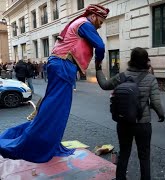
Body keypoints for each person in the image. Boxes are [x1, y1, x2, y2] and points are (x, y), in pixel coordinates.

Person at [0, 4, 109, 163]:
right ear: (93, 16)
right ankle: (34, 144)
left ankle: (44, 142)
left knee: (53, 107)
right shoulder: (85, 23)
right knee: (56, 110)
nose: (100, 25)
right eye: (100, 21)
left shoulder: (79, 23)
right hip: (63, 66)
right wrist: (99, 66)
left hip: (59, 65)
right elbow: (100, 46)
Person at [96, 47, 165, 180]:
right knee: (144, 156)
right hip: (142, 124)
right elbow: (156, 103)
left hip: (124, 122)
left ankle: (120, 178)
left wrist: (98, 69)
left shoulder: (121, 76)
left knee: (124, 153)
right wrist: (161, 115)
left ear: (131, 60)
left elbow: (104, 85)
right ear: (146, 61)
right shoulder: (150, 79)